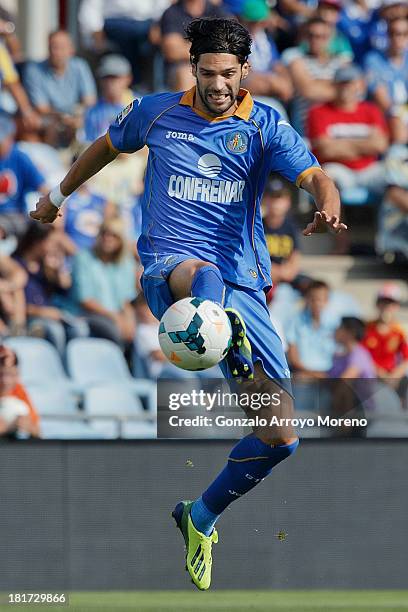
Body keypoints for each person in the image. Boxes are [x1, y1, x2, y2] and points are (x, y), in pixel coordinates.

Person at [30, 17, 346, 591]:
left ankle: (199, 516)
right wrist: (55, 198)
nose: (218, 83)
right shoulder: (155, 111)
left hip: (245, 285)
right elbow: (104, 147)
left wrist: (327, 205)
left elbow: (316, 176)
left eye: (228, 73)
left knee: (280, 437)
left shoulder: (264, 125)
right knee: (204, 273)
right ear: (192, 67)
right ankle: (214, 320)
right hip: (172, 268)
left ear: (244, 70)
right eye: (207, 72)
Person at [307, 64, 389, 198]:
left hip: (369, 170)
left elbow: (380, 145)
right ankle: (334, 219)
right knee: (328, 180)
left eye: (350, 83)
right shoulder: (318, 112)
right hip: (338, 168)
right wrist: (364, 146)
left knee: (396, 176)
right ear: (334, 86)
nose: (346, 88)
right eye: (341, 83)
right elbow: (325, 150)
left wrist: (340, 145)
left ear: (359, 85)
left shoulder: (371, 110)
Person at [13, 223, 89, 357]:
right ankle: (58, 371)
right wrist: (42, 312)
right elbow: (16, 307)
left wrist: (58, 271)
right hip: (31, 319)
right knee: (55, 330)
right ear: (38, 242)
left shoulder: (45, 268)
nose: (54, 247)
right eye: (51, 242)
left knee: (79, 328)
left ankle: (76, 367)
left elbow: (65, 291)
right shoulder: (15, 266)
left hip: (51, 315)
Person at [69, 218, 137, 350]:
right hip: (87, 314)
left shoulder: (126, 263)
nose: (107, 238)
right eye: (104, 233)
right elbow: (85, 299)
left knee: (140, 333)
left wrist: (129, 320)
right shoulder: (83, 258)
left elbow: (126, 299)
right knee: (112, 330)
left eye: (114, 236)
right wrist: (114, 317)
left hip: (115, 314)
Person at [23, 30, 97, 147]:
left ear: (71, 50)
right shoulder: (34, 70)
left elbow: (90, 101)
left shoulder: (80, 66)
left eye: (61, 47)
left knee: (91, 121)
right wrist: (65, 118)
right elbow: (42, 108)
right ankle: (52, 158)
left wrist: (78, 116)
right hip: (49, 118)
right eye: (52, 47)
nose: (56, 52)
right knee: (36, 123)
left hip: (76, 116)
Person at [282, 16, 350, 134]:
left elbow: (354, 91)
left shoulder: (340, 62)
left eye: (321, 37)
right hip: (307, 130)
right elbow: (309, 91)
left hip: (336, 128)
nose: (315, 40)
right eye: (311, 35)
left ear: (330, 38)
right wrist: (339, 87)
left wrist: (317, 84)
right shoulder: (296, 59)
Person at [160, 0, 229, 90]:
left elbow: (229, 45)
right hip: (182, 67)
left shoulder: (218, 11)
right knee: (187, 74)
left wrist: (188, 45)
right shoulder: (172, 12)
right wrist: (212, 45)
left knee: (239, 73)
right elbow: (172, 51)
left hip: (217, 65)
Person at [0, 112, 47, 237]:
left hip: (14, 215)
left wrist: (54, 206)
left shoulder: (19, 157)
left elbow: (43, 187)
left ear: (10, 138)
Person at [364, 17, 408, 144]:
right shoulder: (373, 60)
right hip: (387, 115)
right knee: (396, 117)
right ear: (387, 35)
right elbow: (383, 100)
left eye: (404, 34)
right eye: (393, 33)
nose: (398, 38)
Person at [362, 284, 408, 405]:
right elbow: (362, 356)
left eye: (391, 304)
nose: (387, 307)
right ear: (377, 304)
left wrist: (394, 376)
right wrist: (381, 374)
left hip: (392, 377)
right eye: (383, 303)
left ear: (396, 307)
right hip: (371, 375)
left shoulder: (399, 331)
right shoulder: (367, 328)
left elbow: (406, 358)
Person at [286, 280, 339, 375]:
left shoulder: (335, 322)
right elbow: (293, 358)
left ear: (327, 301)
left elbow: (341, 354)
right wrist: (315, 375)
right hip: (302, 374)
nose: (317, 303)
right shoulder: (295, 321)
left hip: (329, 375)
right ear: (307, 299)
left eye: (321, 299)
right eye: (313, 299)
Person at [81, 54, 134, 144]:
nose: (110, 83)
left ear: (128, 79)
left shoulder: (138, 106)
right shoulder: (92, 111)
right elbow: (87, 142)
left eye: (114, 77)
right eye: (106, 78)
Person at [0, 346, 40, 438]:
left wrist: (28, 427)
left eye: (10, 374)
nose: (5, 381)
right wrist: (7, 427)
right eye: (1, 374)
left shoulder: (18, 390)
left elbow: (38, 431)